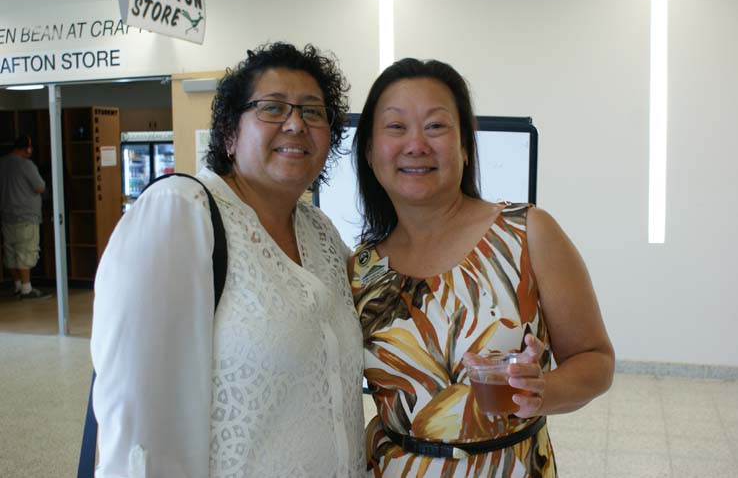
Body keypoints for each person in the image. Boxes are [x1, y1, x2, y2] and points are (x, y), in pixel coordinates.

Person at [91, 42, 366, 477]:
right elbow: (137, 419)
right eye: (273, 108)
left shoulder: (321, 232)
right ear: (229, 133)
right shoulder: (182, 213)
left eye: (313, 111)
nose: (296, 124)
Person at [350, 58, 615, 477]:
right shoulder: (362, 270)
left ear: (466, 146)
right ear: (368, 150)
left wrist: (541, 391)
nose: (416, 144)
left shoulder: (527, 233)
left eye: (436, 126)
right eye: (395, 127)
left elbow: (595, 359)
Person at [0, 134, 51, 300]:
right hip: (26, 216)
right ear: (27, 148)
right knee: (26, 252)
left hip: (7, 215)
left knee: (11, 252)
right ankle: (27, 289)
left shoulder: (2, 163)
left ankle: (17, 285)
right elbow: (40, 187)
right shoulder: (26, 165)